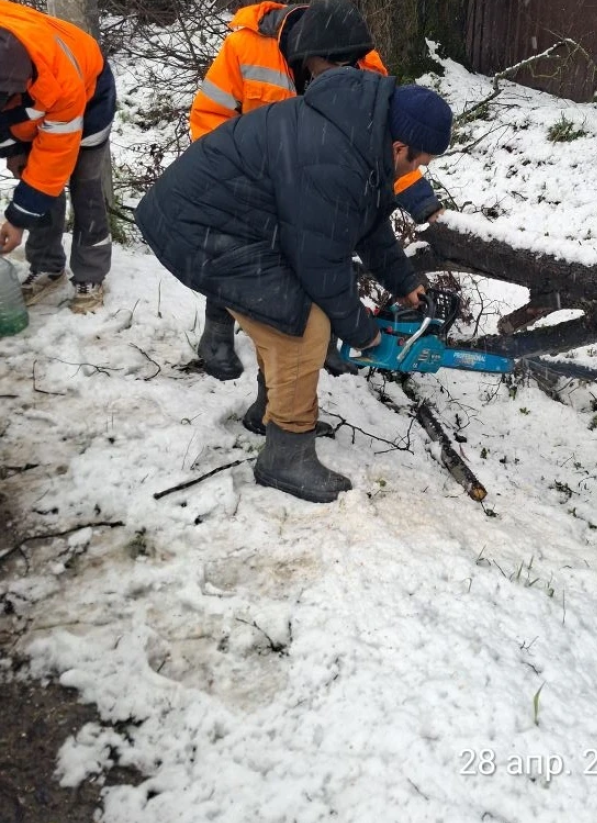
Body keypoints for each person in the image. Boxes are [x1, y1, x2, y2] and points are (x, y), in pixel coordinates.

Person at [135, 69, 452, 504]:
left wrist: (404, 283)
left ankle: (270, 412)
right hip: (199, 227)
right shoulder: (336, 159)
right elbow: (321, 263)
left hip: (236, 221)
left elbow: (366, 225)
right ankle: (285, 455)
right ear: (399, 146)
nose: (414, 171)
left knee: (287, 310)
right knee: (304, 326)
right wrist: (365, 334)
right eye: (416, 163)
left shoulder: (359, 136)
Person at [190, 0, 443, 380]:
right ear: (304, 54)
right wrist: (233, 173)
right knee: (237, 249)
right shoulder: (246, 49)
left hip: (317, 183)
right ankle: (218, 326)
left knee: (321, 252)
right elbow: (210, 114)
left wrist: (422, 202)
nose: (340, 71)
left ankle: (309, 346)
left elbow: (386, 146)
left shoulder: (365, 66)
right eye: (330, 65)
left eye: (348, 64)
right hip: (254, 176)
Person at [0, 0, 116, 313]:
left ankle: (90, 273)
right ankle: (47, 266)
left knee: (84, 185)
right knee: (30, 177)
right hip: (32, 105)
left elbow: (51, 164)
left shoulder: (61, 83)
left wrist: (17, 219)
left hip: (90, 94)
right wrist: (14, 152)